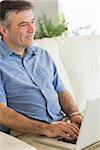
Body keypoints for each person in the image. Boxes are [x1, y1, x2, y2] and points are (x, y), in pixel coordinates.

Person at [0, 0, 83, 143]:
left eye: (32, 22)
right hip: (30, 134)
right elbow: (2, 113)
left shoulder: (42, 54)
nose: (32, 29)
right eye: (23, 25)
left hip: (61, 126)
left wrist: (74, 114)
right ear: (4, 30)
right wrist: (46, 128)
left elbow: (60, 91)